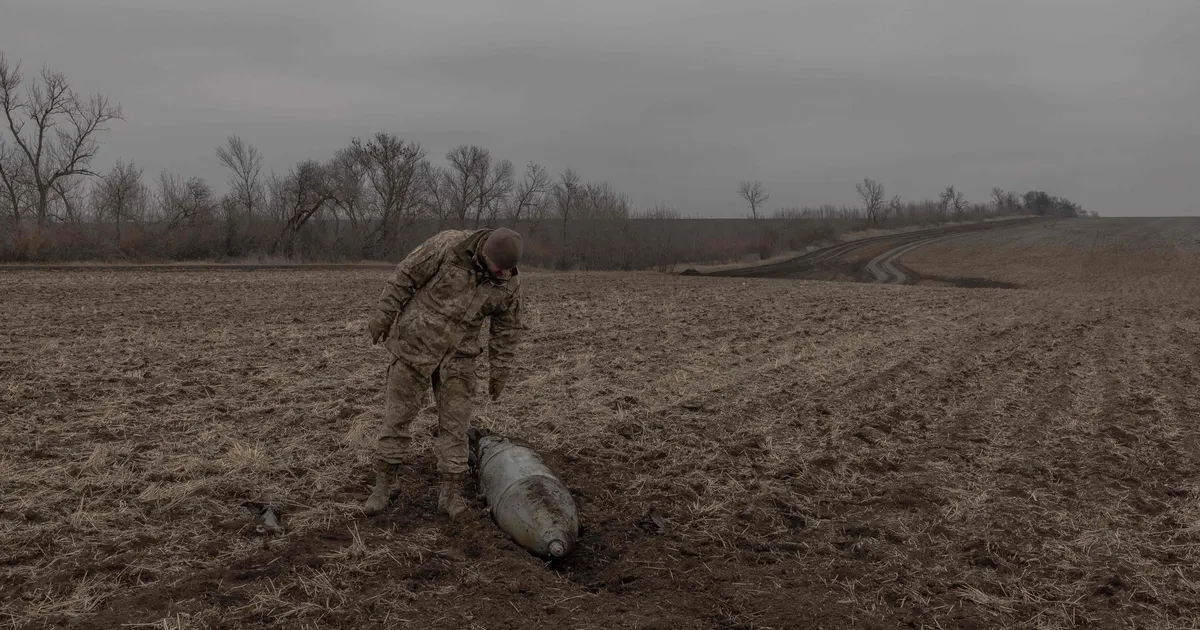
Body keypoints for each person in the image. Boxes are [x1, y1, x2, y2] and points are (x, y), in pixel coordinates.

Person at [363, 227, 525, 519]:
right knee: (397, 419)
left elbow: (507, 329)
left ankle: (450, 495)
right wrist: (383, 315)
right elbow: (405, 276)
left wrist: (500, 371)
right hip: (415, 345)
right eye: (497, 267)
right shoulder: (447, 247)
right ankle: (384, 486)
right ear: (484, 251)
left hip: (459, 359)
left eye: (506, 269)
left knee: (455, 428)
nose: (500, 273)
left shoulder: (508, 282)